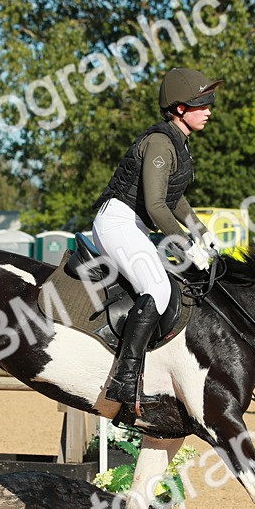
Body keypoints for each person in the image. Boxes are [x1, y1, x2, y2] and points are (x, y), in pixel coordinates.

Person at [92, 67, 224, 415]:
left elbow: (175, 198)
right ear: (179, 108)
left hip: (135, 225)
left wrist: (201, 232)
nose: (209, 109)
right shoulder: (160, 142)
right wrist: (185, 243)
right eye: (202, 103)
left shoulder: (178, 143)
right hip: (117, 222)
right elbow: (155, 205)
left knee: (171, 285)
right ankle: (123, 379)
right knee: (158, 287)